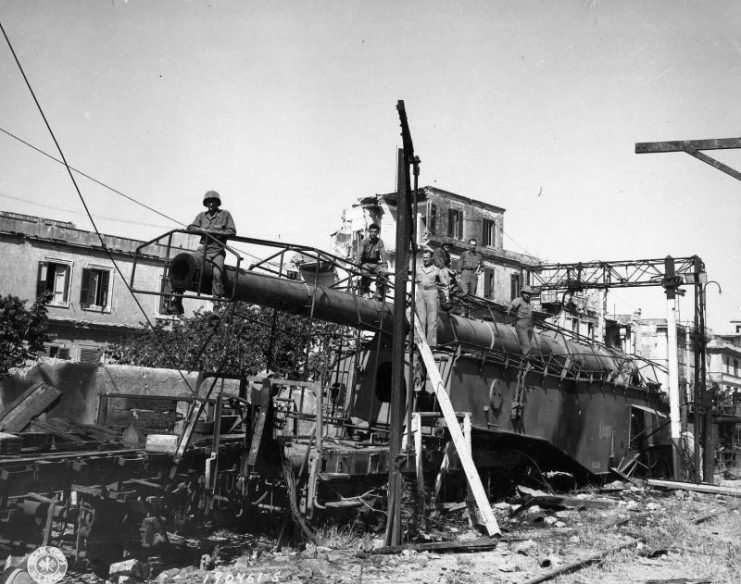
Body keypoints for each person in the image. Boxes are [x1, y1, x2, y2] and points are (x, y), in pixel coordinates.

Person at [166, 190, 236, 314]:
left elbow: (231, 231)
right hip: (203, 250)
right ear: (206, 203)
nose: (211, 204)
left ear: (217, 202)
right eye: (209, 201)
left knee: (217, 274)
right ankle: (177, 302)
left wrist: (216, 233)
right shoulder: (202, 216)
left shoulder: (225, 215)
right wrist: (202, 230)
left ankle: (217, 307)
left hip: (217, 250)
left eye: (214, 201)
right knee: (184, 264)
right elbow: (191, 227)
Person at [415, 249, 449, 347]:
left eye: (427, 258)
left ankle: (431, 344)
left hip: (432, 293)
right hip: (420, 293)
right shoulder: (418, 268)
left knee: (432, 321)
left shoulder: (437, 270)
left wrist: (446, 297)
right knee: (421, 319)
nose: (425, 259)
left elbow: (445, 284)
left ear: (431, 258)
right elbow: (413, 282)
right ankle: (420, 343)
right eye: (424, 257)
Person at [355, 223, 388, 299]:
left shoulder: (380, 242)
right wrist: (356, 266)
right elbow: (359, 254)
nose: (373, 233)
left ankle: (378, 292)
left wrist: (385, 267)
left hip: (375, 264)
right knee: (365, 274)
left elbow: (383, 255)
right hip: (365, 263)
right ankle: (365, 292)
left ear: (378, 233)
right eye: (372, 231)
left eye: (375, 232)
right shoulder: (364, 241)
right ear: (369, 232)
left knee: (383, 273)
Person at [507, 285, 535, 357]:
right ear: (522, 293)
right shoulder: (519, 300)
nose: (527, 295)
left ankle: (528, 362)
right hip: (521, 325)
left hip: (529, 326)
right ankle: (526, 365)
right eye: (526, 293)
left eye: (529, 294)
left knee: (530, 346)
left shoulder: (529, 303)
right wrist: (508, 309)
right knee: (526, 345)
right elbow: (512, 304)